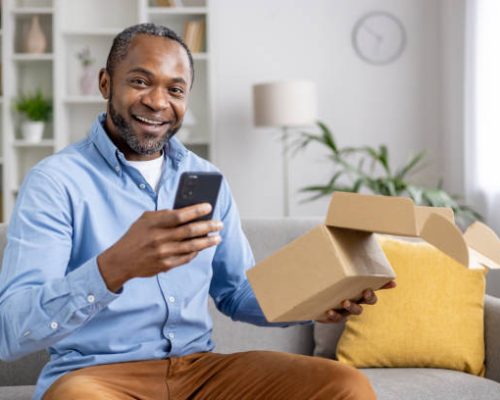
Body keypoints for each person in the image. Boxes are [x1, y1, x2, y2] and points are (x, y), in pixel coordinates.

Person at [0, 23, 394, 400]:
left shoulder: (204, 177)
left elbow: (236, 292)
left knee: (344, 385)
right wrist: (114, 267)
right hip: (96, 376)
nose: (157, 101)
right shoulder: (55, 181)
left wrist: (313, 301)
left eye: (175, 89)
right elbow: (11, 330)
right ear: (106, 83)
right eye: (140, 81)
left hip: (199, 371)